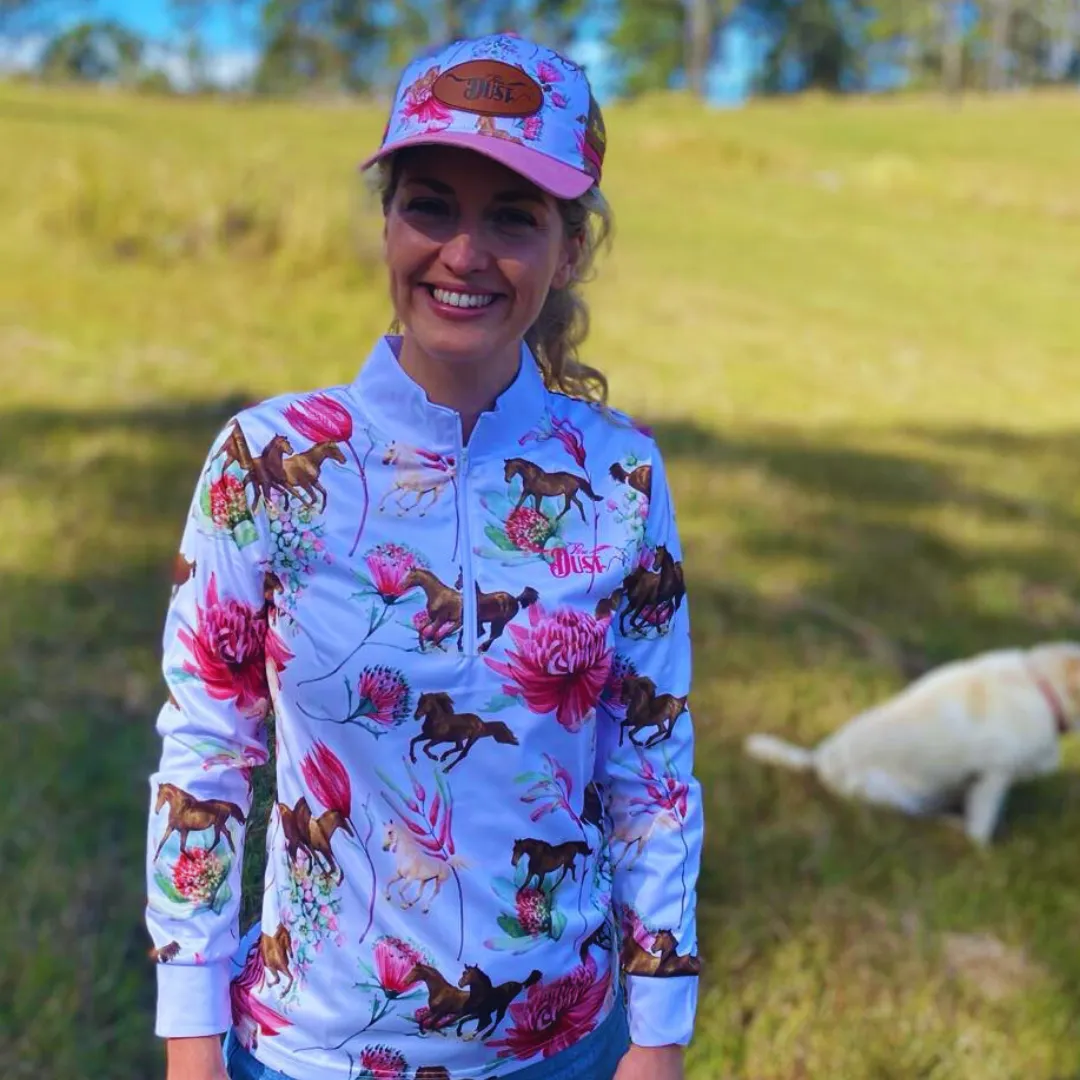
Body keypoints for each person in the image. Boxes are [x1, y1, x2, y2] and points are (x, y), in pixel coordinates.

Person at [146, 31, 703, 1080]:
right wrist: (190, 1042)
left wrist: (660, 1030)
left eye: (512, 217)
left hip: (564, 1049)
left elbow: (650, 763)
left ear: (568, 248)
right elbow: (208, 751)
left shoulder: (621, 479)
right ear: (389, 223)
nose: (464, 253)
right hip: (309, 1051)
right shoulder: (267, 463)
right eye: (431, 205)